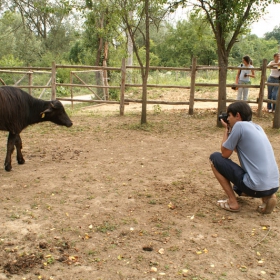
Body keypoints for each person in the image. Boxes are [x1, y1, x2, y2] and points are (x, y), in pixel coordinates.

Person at [210, 101, 279, 214]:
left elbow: (225, 153)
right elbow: (239, 149)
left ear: (238, 115)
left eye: (229, 116)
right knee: (238, 188)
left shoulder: (239, 125)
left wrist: (226, 130)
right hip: (274, 185)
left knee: (215, 158)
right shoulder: (257, 127)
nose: (228, 119)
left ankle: (232, 203)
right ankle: (268, 196)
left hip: (255, 186)